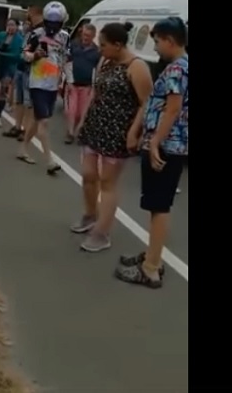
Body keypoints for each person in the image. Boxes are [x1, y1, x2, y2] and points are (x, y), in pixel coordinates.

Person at [115, 17, 188, 288]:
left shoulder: (176, 70)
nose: (155, 47)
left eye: (157, 41)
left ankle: (151, 268)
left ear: (170, 40)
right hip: (171, 145)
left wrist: (155, 141)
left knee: (159, 207)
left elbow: (172, 108)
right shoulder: (181, 67)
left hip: (166, 147)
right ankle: (152, 255)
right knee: (157, 205)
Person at [72, 23, 153, 252]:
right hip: (95, 126)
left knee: (108, 183)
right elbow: (95, 92)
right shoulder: (106, 61)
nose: (101, 49)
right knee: (88, 175)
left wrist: (133, 132)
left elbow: (146, 103)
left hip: (117, 132)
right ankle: (89, 215)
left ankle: (102, 232)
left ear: (118, 45)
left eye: (104, 45)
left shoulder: (136, 67)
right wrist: (82, 120)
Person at [17, 2, 69, 174]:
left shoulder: (64, 37)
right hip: (37, 82)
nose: (53, 25)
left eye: (57, 21)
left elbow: (65, 57)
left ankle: (23, 148)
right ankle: (49, 160)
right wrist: (34, 55)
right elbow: (24, 54)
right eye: (50, 21)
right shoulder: (36, 35)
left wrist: (65, 78)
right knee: (44, 122)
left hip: (53, 84)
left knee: (38, 120)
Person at [63, 23, 100, 144]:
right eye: (84, 34)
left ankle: (78, 131)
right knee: (71, 110)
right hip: (73, 83)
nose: (85, 37)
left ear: (93, 36)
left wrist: (94, 86)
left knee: (81, 112)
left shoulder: (97, 51)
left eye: (88, 35)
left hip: (87, 85)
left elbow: (98, 69)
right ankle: (70, 133)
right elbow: (67, 62)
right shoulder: (73, 45)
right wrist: (69, 81)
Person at [3, 14, 38, 140]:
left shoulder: (36, 36)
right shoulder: (24, 36)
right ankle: (17, 127)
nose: (26, 25)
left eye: (29, 23)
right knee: (19, 100)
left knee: (28, 103)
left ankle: (25, 130)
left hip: (30, 70)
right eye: (25, 23)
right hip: (20, 68)